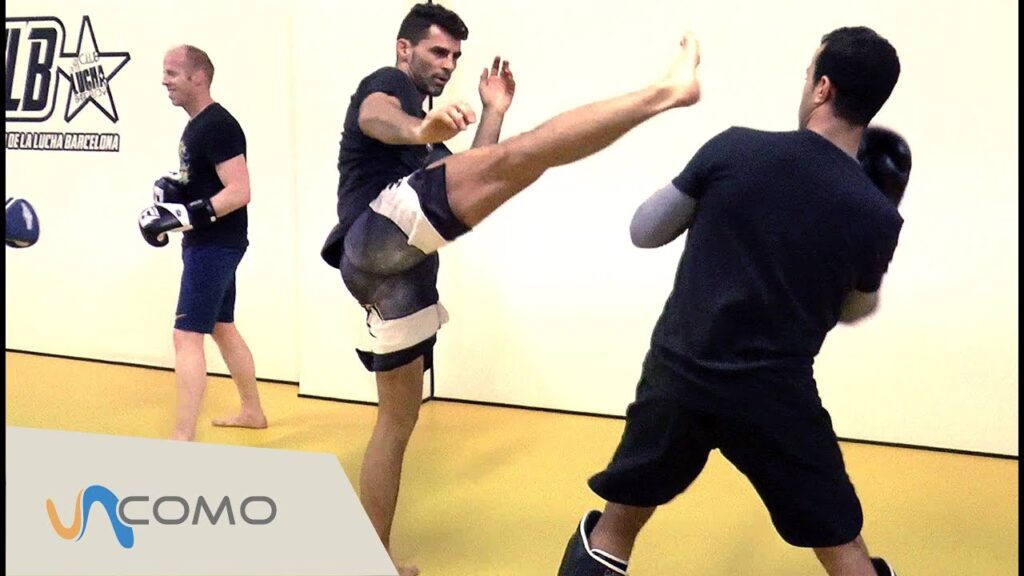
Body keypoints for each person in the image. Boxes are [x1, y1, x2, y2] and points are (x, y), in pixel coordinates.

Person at [319, 3, 702, 573]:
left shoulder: (427, 140)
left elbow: (478, 170)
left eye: (455, 56)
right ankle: (665, 93)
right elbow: (377, 115)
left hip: (397, 277)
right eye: (437, 51)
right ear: (405, 49)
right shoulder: (389, 85)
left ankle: (370, 559)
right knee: (530, 154)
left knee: (396, 423)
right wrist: (419, 128)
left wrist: (493, 111)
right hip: (375, 233)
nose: (447, 64)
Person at [557, 27, 907, 576]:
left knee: (617, 523)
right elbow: (852, 312)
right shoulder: (877, 214)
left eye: (809, 75)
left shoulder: (735, 148)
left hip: (680, 375)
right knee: (843, 544)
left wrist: (716, 202)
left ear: (823, 88)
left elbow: (644, 231)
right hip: (776, 395)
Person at [139, 45, 267, 441]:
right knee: (222, 327)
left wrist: (190, 214)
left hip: (215, 245)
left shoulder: (218, 125)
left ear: (198, 77)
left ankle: (183, 436)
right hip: (213, 243)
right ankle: (252, 411)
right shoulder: (197, 127)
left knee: (186, 335)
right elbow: (211, 185)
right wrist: (178, 189)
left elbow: (240, 190)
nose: (164, 81)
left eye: (172, 73)